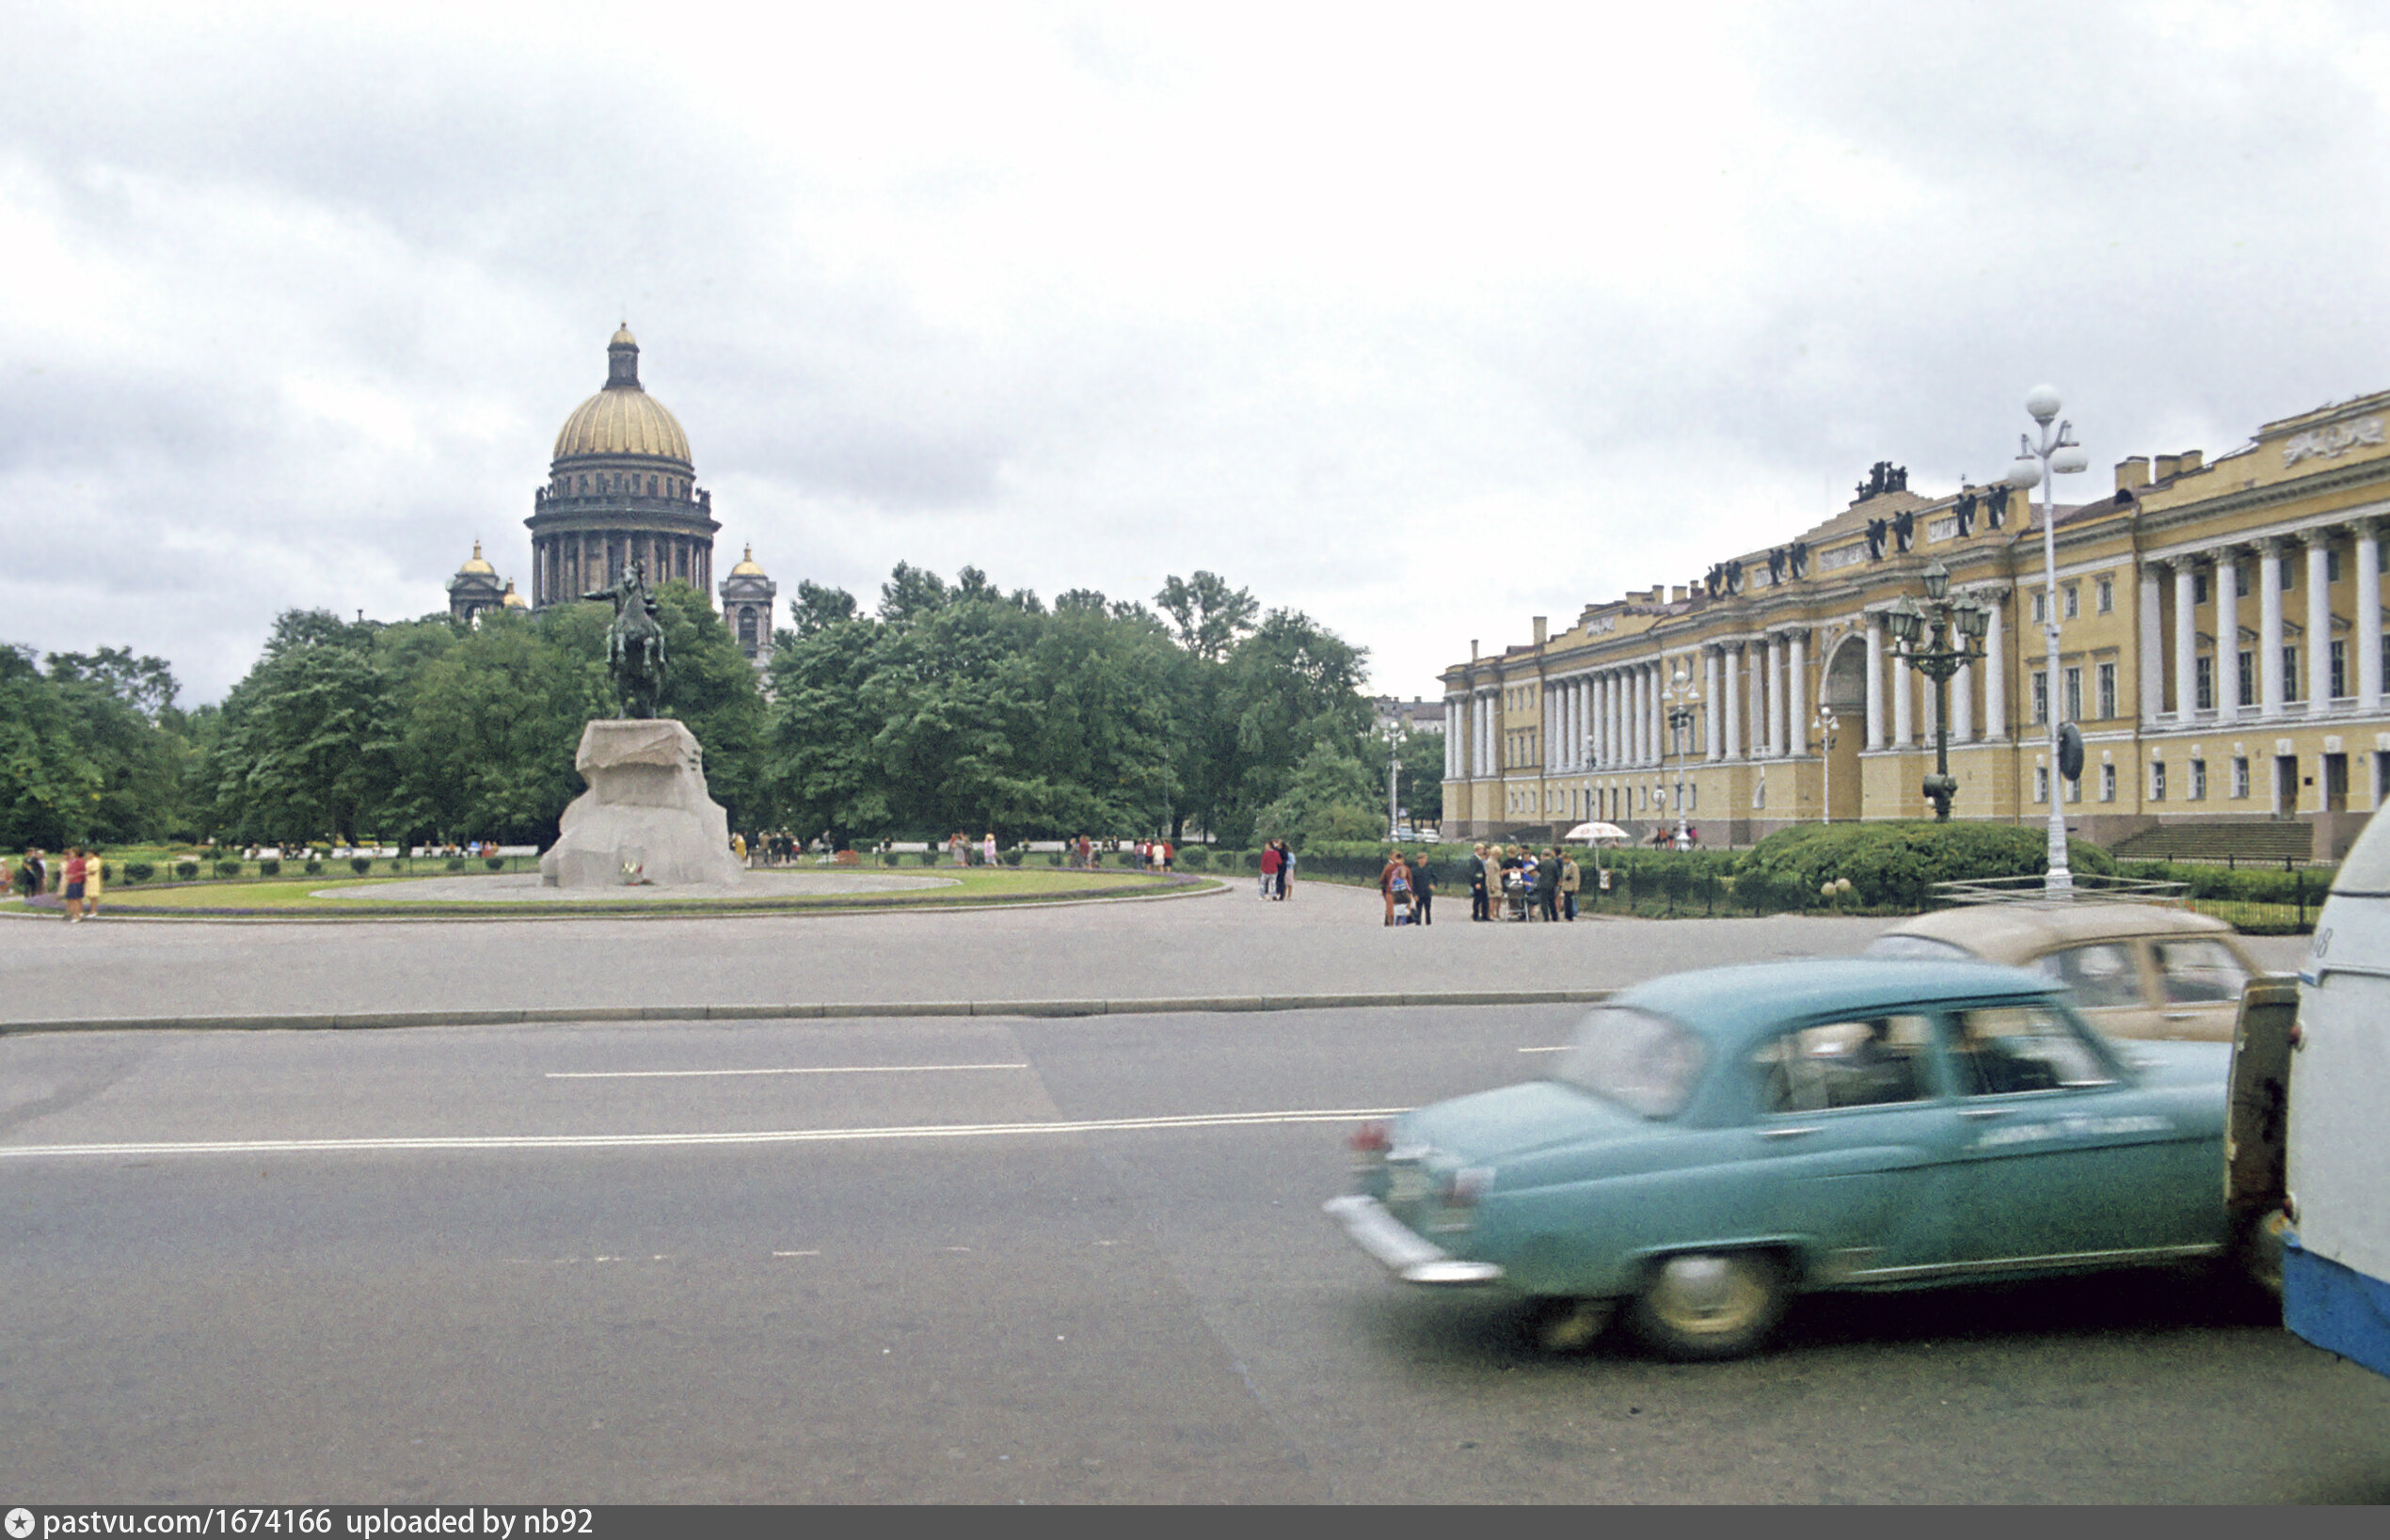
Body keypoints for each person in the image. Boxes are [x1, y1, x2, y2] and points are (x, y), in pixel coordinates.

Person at [1379, 849, 1410, 927]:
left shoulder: (1388, 868)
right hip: (1403, 892)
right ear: (1403, 859)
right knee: (1402, 910)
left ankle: (1390, 924)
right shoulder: (1406, 869)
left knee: (1390, 910)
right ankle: (1401, 925)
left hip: (1390, 892)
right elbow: (1409, 882)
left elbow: (1382, 880)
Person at [1533, 847, 1561, 922]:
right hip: (1551, 885)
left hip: (1543, 885)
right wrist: (1555, 884)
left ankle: (1546, 917)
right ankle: (1555, 917)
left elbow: (1536, 871)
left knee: (1544, 902)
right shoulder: (1554, 864)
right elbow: (1557, 875)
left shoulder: (1541, 863)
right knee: (1552, 901)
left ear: (1543, 855)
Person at [1409, 849, 1435, 926]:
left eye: (1425, 859)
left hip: (1427, 893)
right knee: (1418, 910)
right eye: (1422, 859)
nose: (1424, 861)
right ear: (1418, 860)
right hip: (1418, 893)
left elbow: (1434, 877)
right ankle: (1418, 924)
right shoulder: (1414, 870)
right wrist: (1414, 894)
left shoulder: (1429, 869)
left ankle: (1428, 923)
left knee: (1428, 910)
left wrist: (1433, 884)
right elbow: (1412, 883)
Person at [61, 846, 87, 923]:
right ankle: (73, 913)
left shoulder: (79, 861)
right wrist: (68, 875)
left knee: (76, 899)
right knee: (71, 899)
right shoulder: (70, 862)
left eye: (72, 853)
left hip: (76, 881)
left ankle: (77, 915)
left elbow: (83, 871)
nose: (70, 854)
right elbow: (68, 871)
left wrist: (75, 875)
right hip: (70, 881)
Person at [1469, 843, 1490, 921]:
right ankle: (1476, 915)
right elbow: (1473, 873)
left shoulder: (1479, 859)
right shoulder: (1473, 859)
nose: (1483, 851)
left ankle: (1485, 915)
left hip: (1482, 881)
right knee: (1477, 899)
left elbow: (1480, 871)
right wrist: (1476, 883)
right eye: (1482, 849)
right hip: (1478, 882)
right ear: (1478, 850)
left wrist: (1484, 873)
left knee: (1485, 899)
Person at [1558, 849, 1582, 921]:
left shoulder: (1573, 865)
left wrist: (1576, 886)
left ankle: (1570, 915)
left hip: (1571, 886)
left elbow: (1576, 876)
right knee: (1566, 901)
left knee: (1569, 901)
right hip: (1566, 886)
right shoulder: (1565, 866)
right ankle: (1567, 914)